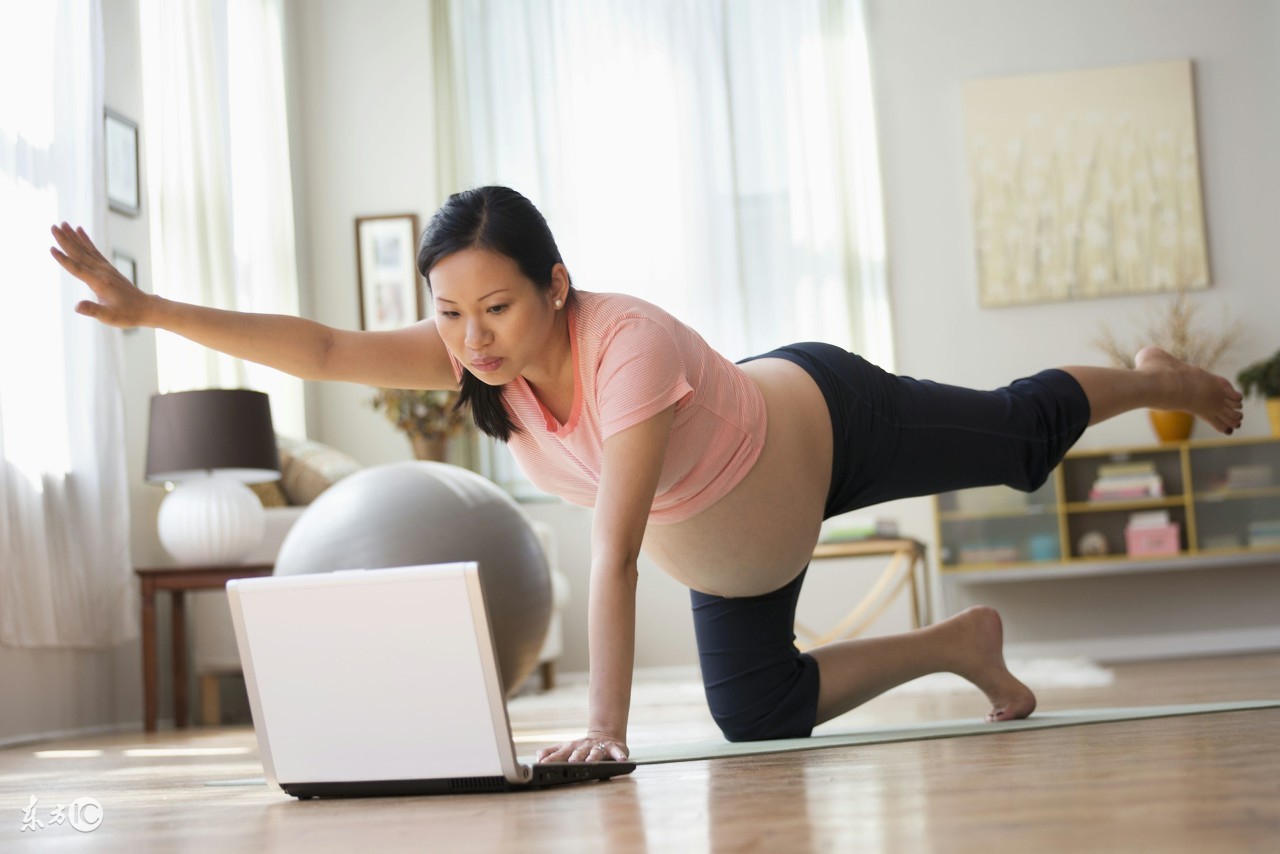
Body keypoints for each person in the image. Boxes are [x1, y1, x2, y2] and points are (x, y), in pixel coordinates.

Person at [50, 186, 1244, 763]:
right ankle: (960, 644)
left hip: (818, 420)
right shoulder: (483, 360)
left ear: (555, 283)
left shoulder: (620, 347)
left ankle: (1158, 378)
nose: (471, 336)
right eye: (450, 312)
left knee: (1016, 437)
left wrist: (604, 726)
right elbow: (316, 347)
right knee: (754, 711)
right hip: (744, 524)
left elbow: (614, 550)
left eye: (498, 305)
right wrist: (149, 306)